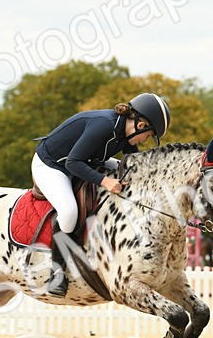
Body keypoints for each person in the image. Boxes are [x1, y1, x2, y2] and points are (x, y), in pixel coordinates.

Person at [32, 92, 170, 296]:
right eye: (148, 135)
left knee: (125, 171)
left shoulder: (125, 134)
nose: (145, 139)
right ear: (140, 125)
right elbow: (72, 162)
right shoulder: (104, 125)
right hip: (52, 165)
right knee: (69, 211)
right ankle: (57, 273)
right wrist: (105, 181)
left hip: (86, 160)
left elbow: (135, 166)